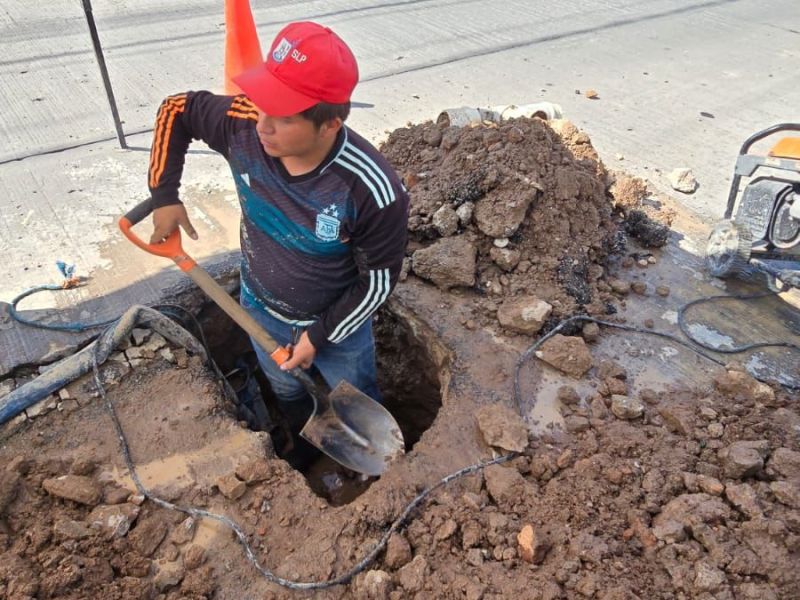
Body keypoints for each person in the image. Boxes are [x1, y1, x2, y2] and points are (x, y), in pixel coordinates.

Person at [145, 21, 409, 443]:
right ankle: (304, 443)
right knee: (288, 392)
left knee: (356, 399)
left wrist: (319, 336)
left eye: (283, 118)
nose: (262, 124)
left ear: (329, 124)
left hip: (336, 327)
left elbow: (377, 283)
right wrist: (163, 195)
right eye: (261, 102)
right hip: (260, 311)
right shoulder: (244, 124)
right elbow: (177, 108)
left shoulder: (369, 188)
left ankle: (370, 458)